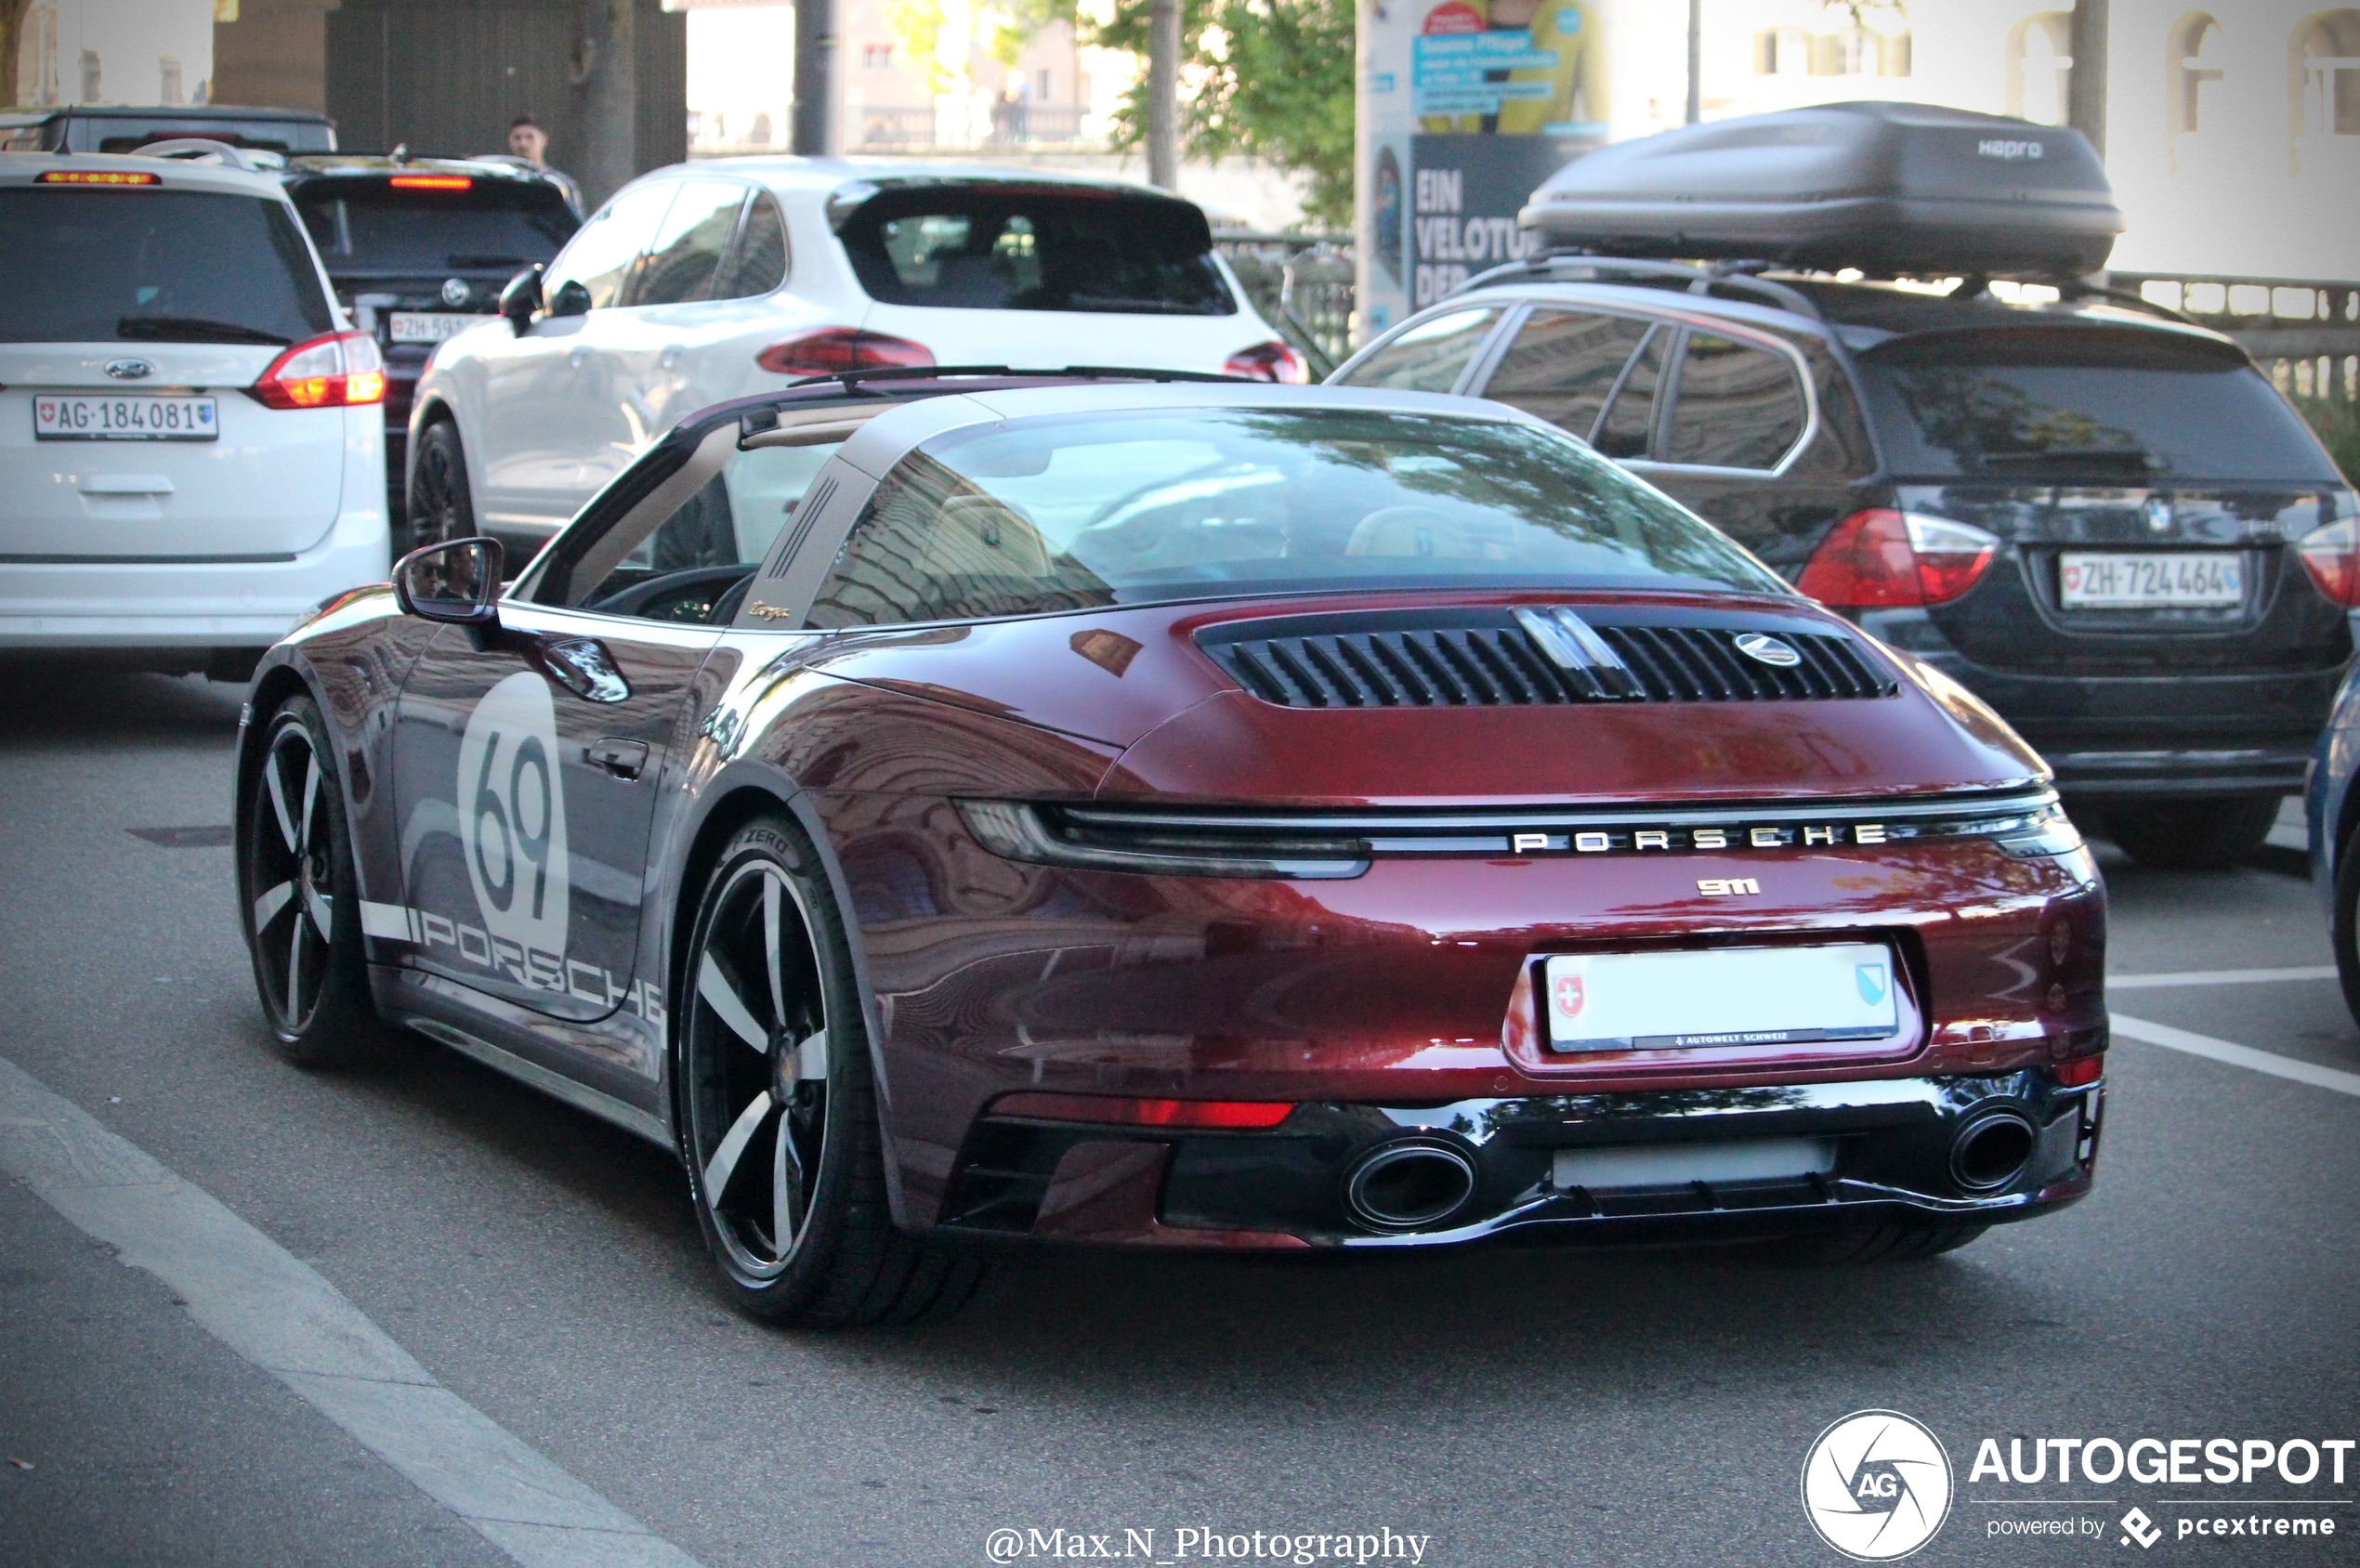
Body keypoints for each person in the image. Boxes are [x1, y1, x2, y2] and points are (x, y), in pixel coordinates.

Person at [505, 115, 583, 216]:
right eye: (517, 138)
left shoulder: (560, 183)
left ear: (544, 140)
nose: (523, 144)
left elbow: (577, 226)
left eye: (529, 137)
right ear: (509, 141)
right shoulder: (503, 182)